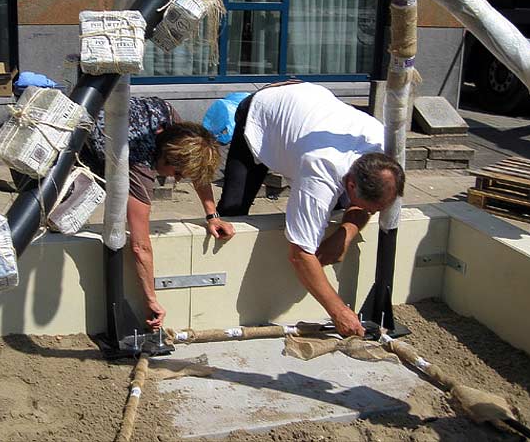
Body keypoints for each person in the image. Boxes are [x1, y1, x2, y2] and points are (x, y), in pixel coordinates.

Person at [216, 81, 405, 337]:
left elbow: (362, 208)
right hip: (260, 112)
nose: (368, 212)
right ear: (350, 184)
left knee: (336, 214)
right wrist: (338, 311)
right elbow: (299, 254)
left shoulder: (383, 148)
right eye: (365, 206)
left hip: (309, 109)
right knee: (233, 209)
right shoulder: (320, 170)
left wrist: (346, 233)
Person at [82, 97, 235, 330]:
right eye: (177, 172)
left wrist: (212, 215)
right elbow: (140, 245)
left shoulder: (171, 120)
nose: (177, 178)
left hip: (94, 109)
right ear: (166, 157)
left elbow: (197, 172)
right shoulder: (137, 165)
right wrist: (151, 299)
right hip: (59, 144)